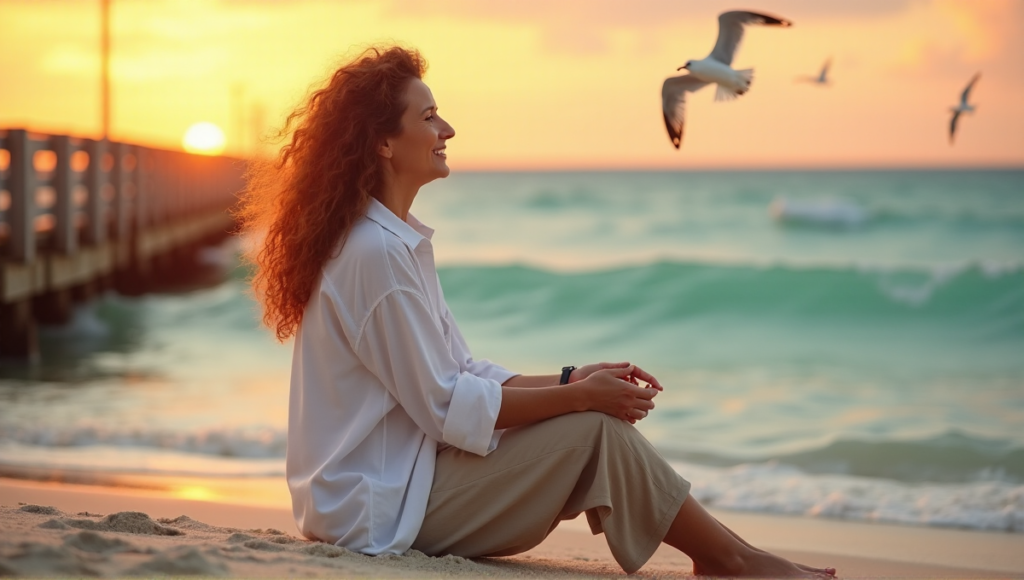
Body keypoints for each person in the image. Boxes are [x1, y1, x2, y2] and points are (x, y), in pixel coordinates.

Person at [238, 45, 836, 578]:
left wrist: (573, 380)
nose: (447, 128)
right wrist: (579, 399)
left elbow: (462, 374)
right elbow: (447, 407)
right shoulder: (375, 254)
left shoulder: (390, 242)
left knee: (592, 422)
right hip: (379, 511)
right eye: (429, 117)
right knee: (595, 430)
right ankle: (736, 563)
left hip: (395, 487)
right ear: (383, 143)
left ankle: (736, 557)